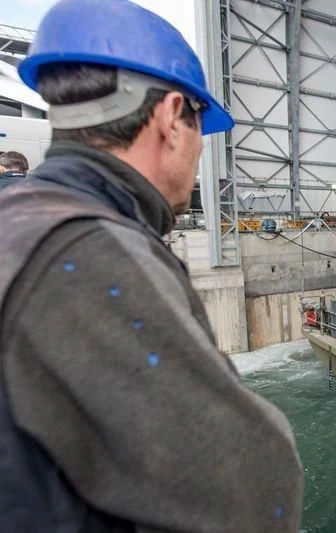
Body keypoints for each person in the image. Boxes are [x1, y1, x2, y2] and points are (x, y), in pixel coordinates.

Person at [0, 1, 302, 532]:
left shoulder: (20, 220)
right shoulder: (90, 255)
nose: (199, 152)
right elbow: (252, 484)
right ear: (169, 118)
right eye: (199, 129)